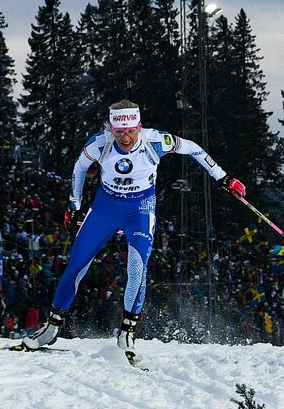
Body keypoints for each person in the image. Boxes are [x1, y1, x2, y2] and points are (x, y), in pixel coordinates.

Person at [23, 99, 246, 358]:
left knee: (137, 266)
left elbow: (193, 148)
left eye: (130, 131)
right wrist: (74, 205)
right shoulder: (100, 143)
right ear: (111, 129)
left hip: (139, 209)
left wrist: (224, 178)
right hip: (106, 208)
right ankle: (51, 328)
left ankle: (127, 332)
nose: (125, 137)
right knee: (77, 263)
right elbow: (79, 168)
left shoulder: (155, 141)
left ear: (138, 127)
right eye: (119, 132)